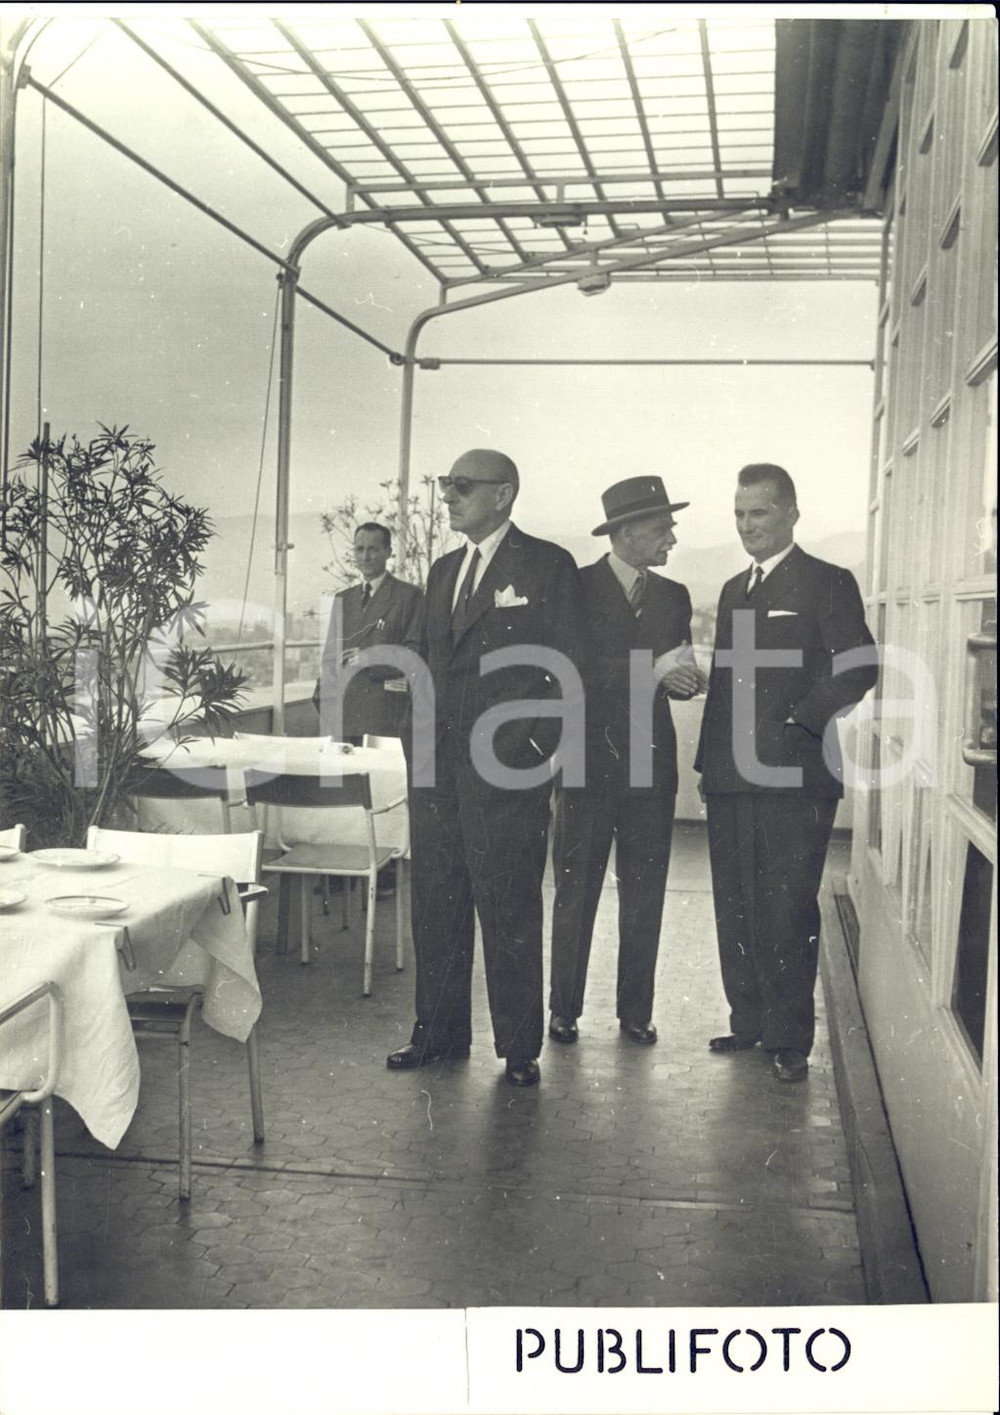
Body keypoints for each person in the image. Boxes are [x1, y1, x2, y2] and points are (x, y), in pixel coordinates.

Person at [387, 449, 585, 1087]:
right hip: (438, 770)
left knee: (509, 906)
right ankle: (438, 1035)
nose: (448, 496)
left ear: (503, 495)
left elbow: (571, 667)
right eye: (447, 485)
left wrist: (533, 750)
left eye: (462, 487)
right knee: (437, 906)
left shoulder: (547, 565)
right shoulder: (445, 569)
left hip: (507, 769)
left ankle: (519, 1048)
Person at [694, 463, 878, 1082]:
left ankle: (790, 1039)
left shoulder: (827, 582)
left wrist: (801, 724)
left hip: (796, 777)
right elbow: (723, 685)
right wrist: (707, 766)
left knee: (787, 908)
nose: (747, 526)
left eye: (760, 513)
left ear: (792, 514)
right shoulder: (731, 590)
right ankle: (749, 1023)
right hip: (729, 778)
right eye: (740, 514)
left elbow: (859, 667)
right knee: (736, 905)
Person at [548, 476, 705, 1048]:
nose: (672, 537)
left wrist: (685, 681)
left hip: (650, 767)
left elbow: (674, 669)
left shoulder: (675, 596)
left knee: (645, 893)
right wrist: (655, 672)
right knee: (575, 891)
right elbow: (570, 672)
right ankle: (562, 1011)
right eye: (663, 527)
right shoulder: (576, 588)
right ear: (627, 531)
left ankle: (635, 1012)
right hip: (586, 766)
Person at [314, 522, 424, 743]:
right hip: (344, 709)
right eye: (359, 549)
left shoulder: (409, 596)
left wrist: (370, 659)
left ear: (388, 553)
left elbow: (415, 653)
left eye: (373, 549)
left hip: (384, 712)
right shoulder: (344, 599)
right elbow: (330, 655)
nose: (365, 556)